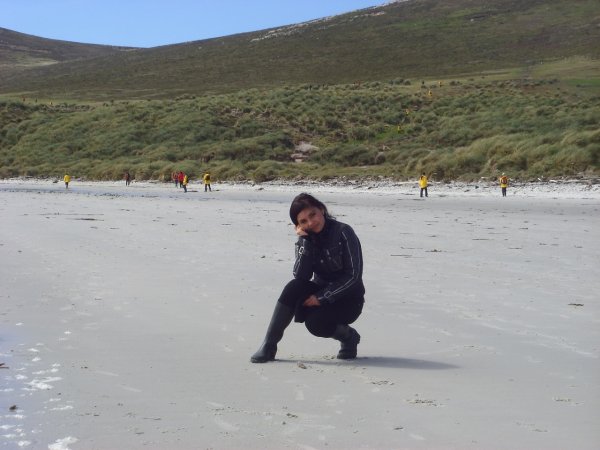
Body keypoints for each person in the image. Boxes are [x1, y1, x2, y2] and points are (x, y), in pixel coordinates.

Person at [251, 193, 365, 363]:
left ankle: (349, 337)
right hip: (320, 290)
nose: (311, 223)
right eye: (303, 221)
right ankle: (269, 345)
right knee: (293, 287)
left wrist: (321, 297)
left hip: (348, 299)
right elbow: (301, 276)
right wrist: (305, 241)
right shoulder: (306, 239)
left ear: (321, 209)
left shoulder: (343, 232)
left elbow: (353, 276)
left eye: (313, 215)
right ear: (298, 225)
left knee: (316, 324)